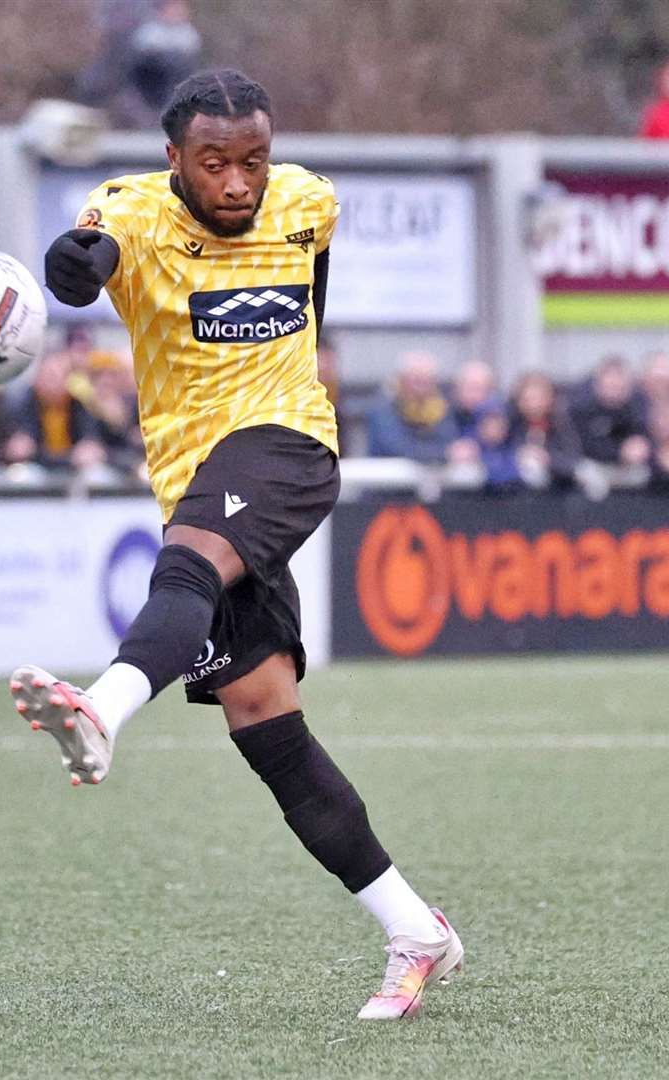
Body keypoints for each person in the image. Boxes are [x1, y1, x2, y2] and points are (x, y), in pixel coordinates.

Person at [23, 68, 462, 1021]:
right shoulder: (131, 213)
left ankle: (100, 709)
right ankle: (416, 931)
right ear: (173, 159)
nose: (238, 182)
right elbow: (79, 262)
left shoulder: (309, 201)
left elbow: (314, 304)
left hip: (287, 446)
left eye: (252, 160)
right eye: (214, 163)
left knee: (184, 568)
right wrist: (72, 269)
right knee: (265, 724)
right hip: (191, 473)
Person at [364, 352, 459, 462]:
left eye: (427, 380)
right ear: (401, 380)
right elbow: (396, 448)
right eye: (416, 380)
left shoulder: (441, 409)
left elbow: (449, 439)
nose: (421, 387)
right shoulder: (383, 409)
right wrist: (443, 454)